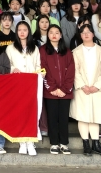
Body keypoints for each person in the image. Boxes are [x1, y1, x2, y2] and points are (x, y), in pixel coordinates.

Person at [69, 23, 101, 157]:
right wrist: (83, 85)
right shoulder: (75, 52)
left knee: (95, 117)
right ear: (80, 36)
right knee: (83, 116)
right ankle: (86, 144)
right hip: (82, 89)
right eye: (83, 32)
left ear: (93, 34)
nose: (86, 34)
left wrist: (96, 86)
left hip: (97, 89)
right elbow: (74, 71)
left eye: (88, 32)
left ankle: (96, 144)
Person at [6, 21, 40, 157]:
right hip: (17, 84)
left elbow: (38, 65)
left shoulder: (35, 48)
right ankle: (22, 142)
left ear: (28, 32)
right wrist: (14, 69)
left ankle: (30, 142)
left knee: (31, 112)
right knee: (19, 112)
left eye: (25, 30)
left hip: (31, 84)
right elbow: (8, 64)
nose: (22, 32)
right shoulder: (10, 48)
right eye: (19, 30)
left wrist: (38, 73)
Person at [40, 25, 75, 155]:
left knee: (63, 118)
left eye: (57, 32)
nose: (54, 35)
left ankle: (64, 143)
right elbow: (43, 68)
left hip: (65, 92)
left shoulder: (67, 51)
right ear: (48, 35)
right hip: (51, 92)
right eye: (51, 32)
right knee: (52, 118)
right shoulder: (43, 50)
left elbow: (71, 71)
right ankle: (54, 143)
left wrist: (65, 89)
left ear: (61, 35)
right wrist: (53, 88)